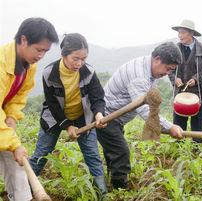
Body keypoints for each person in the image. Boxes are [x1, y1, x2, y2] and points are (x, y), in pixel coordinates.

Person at [96, 42, 183, 189]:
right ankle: (120, 190)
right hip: (107, 117)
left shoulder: (148, 66)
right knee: (121, 152)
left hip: (117, 118)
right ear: (157, 59)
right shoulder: (139, 76)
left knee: (114, 152)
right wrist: (170, 127)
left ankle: (113, 184)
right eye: (167, 69)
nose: (167, 73)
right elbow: (145, 111)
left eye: (171, 70)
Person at [29, 33, 108, 196]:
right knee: (42, 153)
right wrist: (66, 125)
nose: (80, 63)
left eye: (84, 58)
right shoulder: (49, 73)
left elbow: (97, 97)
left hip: (83, 117)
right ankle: (23, 189)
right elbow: (52, 104)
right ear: (63, 55)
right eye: (75, 58)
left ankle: (102, 193)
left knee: (92, 155)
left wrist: (99, 114)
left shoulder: (88, 72)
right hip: (54, 117)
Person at [0, 17, 58, 201]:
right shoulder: (1, 63)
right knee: (13, 151)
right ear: (23, 40)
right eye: (39, 49)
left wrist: (11, 117)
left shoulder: (28, 66)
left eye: (45, 51)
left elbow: (19, 95)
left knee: (16, 164)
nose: (41, 55)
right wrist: (14, 144)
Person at [169, 19, 202, 143]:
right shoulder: (175, 49)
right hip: (181, 94)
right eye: (178, 33)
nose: (179, 36)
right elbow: (169, 69)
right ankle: (178, 149)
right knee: (179, 123)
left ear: (191, 33)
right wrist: (175, 79)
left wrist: (196, 79)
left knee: (198, 125)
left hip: (199, 94)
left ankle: (197, 150)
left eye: (182, 32)